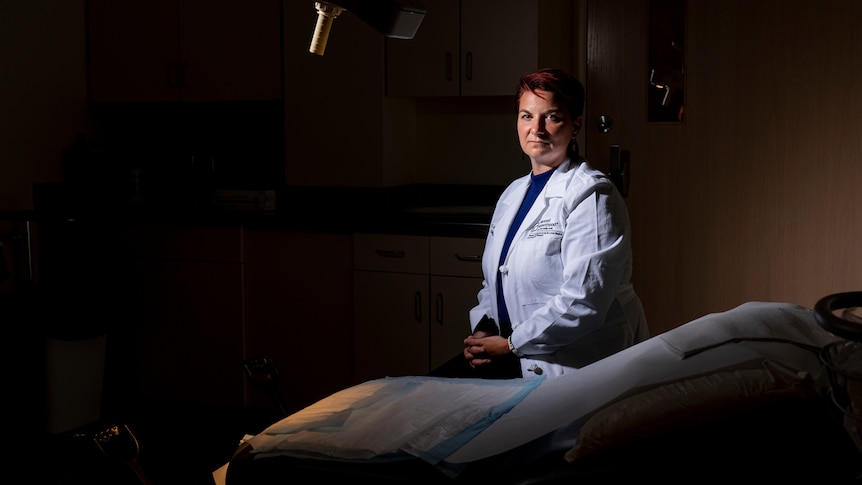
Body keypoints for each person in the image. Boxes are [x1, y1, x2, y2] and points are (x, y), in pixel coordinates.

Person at [461, 68, 649, 379]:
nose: (536, 129)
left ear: (575, 125)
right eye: (526, 116)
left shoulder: (592, 194)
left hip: (581, 364)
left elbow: (583, 300)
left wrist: (510, 344)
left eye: (551, 117)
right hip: (520, 357)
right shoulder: (513, 194)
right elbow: (494, 282)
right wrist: (483, 330)